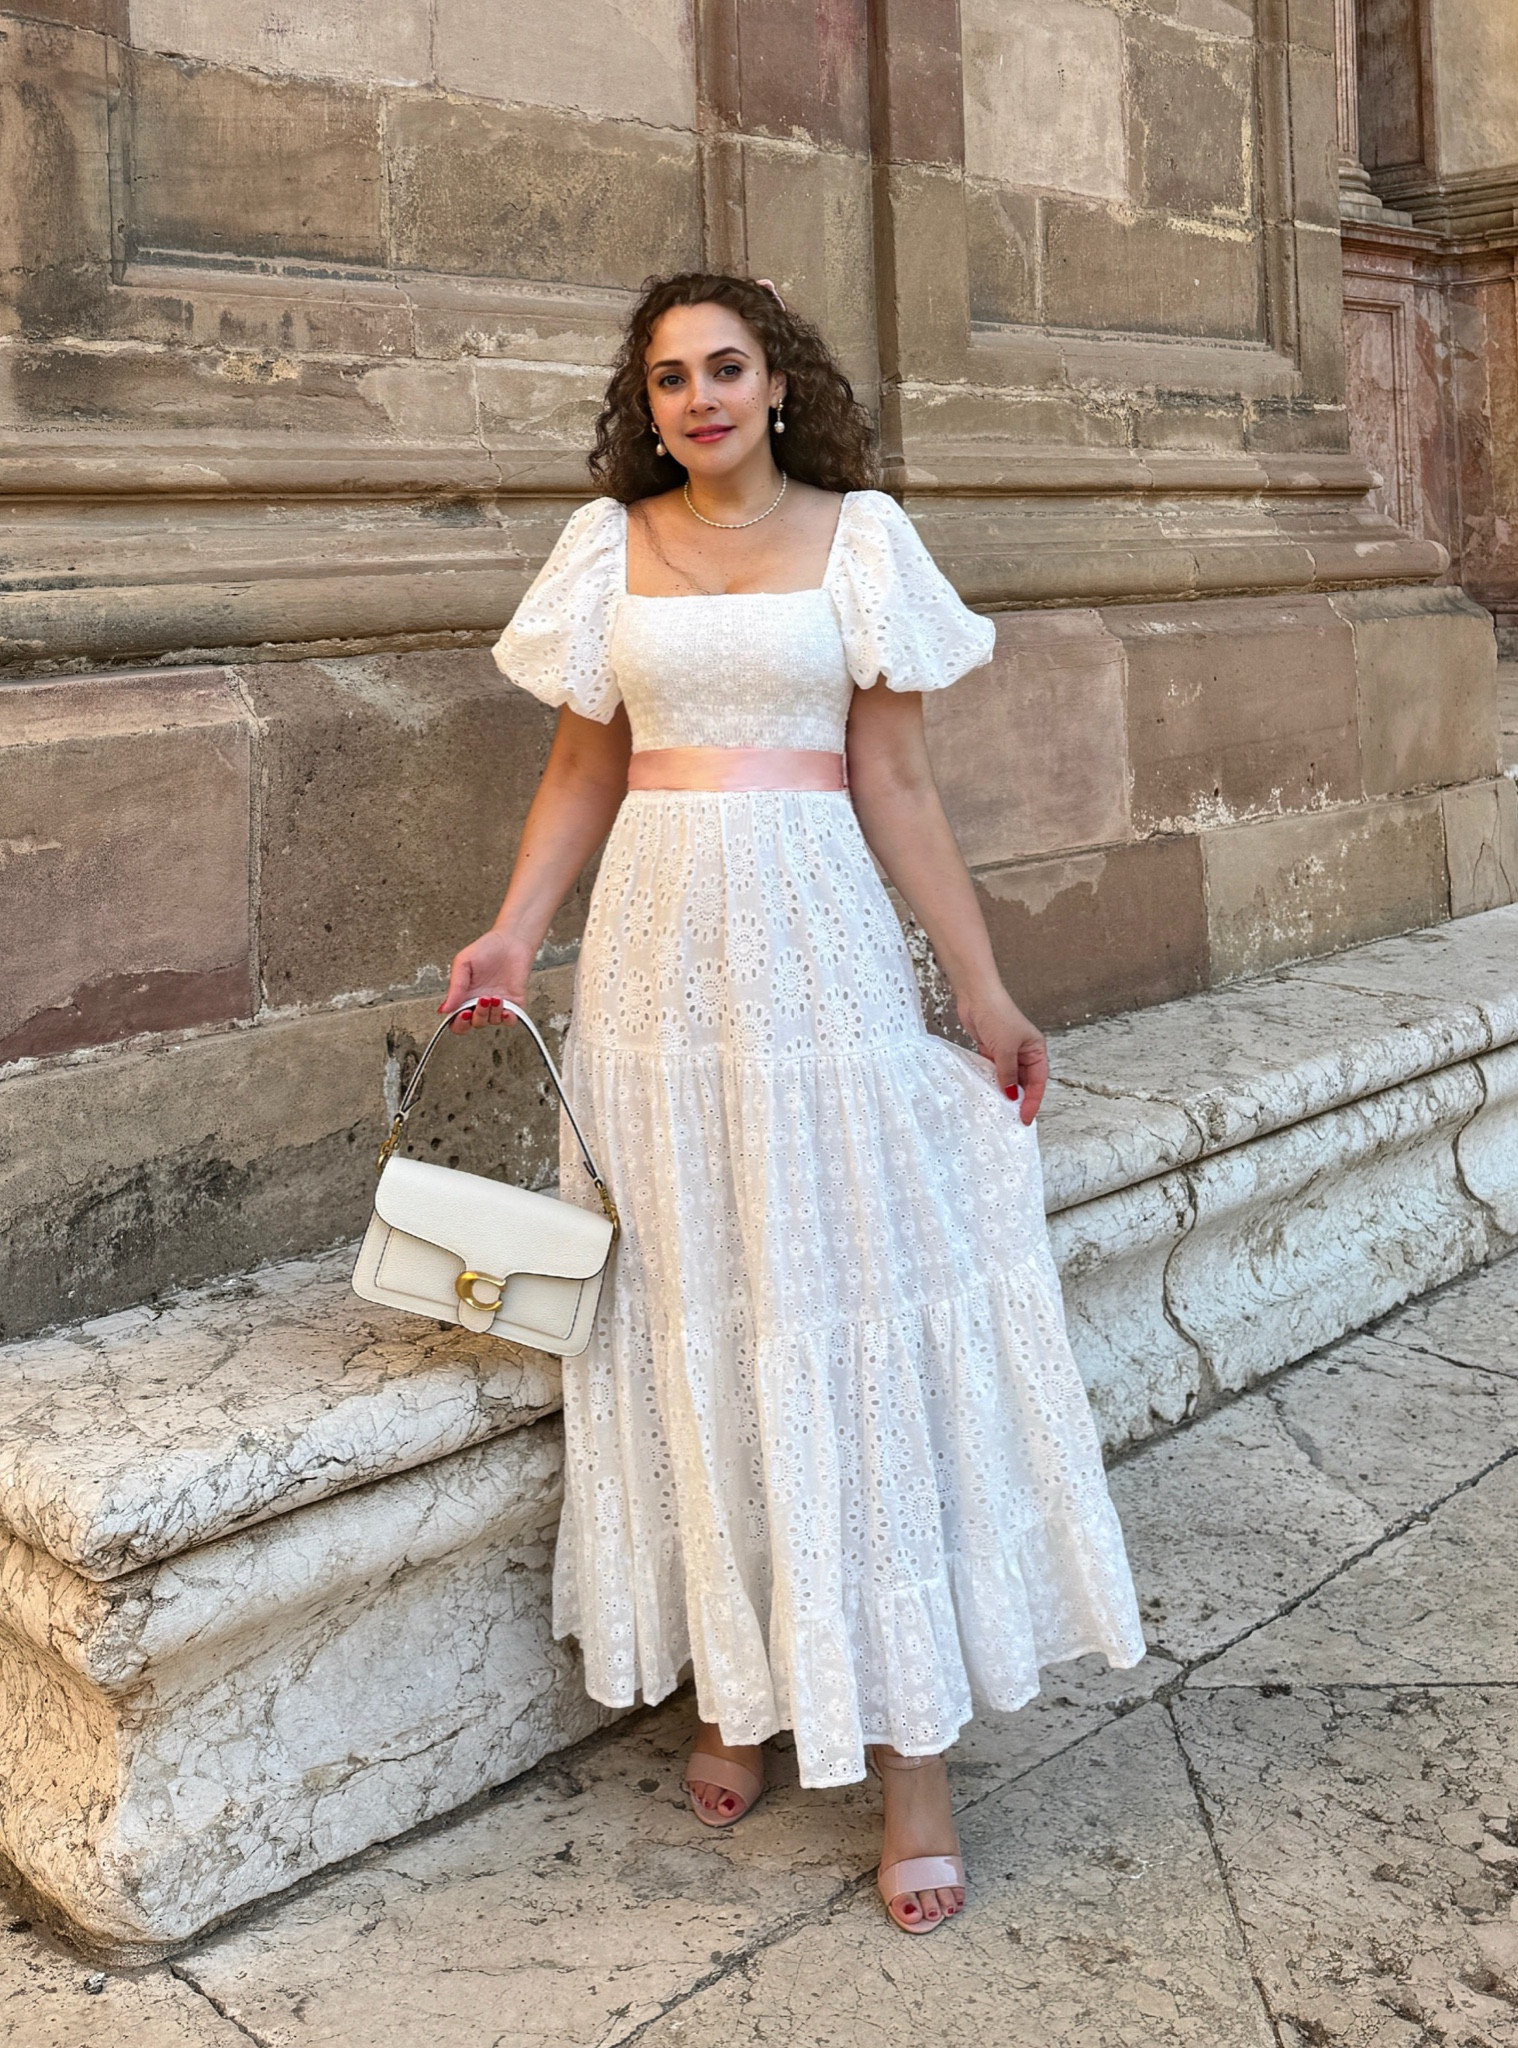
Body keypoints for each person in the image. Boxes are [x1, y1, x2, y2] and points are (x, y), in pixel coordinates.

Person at [440, 271, 1145, 1935]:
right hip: (648, 980)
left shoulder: (863, 537)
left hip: (815, 950)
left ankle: (910, 1756)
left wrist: (978, 987)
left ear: (776, 382)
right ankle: (740, 1685)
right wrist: (512, 931)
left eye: (726, 367)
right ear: (647, 400)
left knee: (837, 1305)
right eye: (668, 375)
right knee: (689, 1311)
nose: (697, 397)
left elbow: (892, 780)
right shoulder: (605, 547)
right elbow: (582, 767)